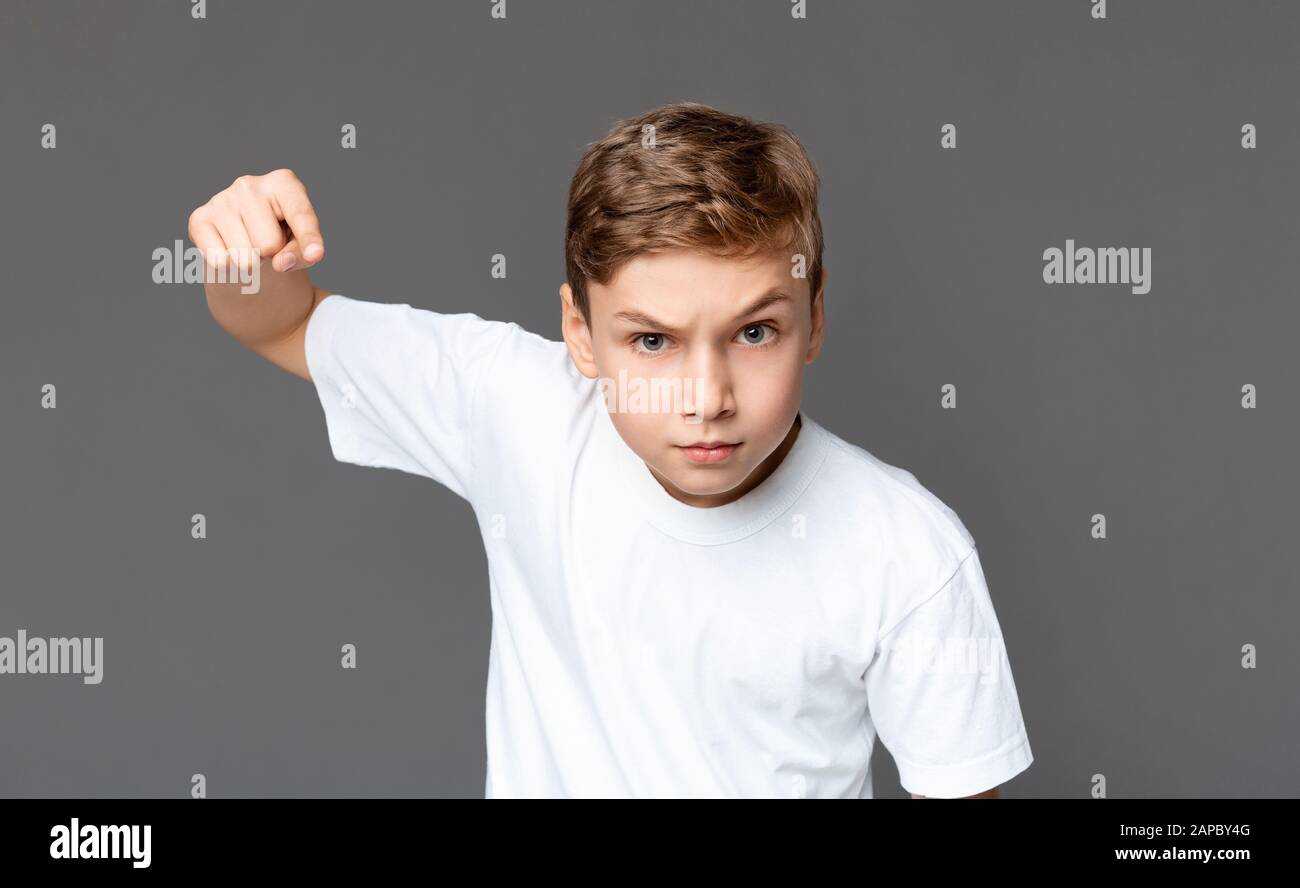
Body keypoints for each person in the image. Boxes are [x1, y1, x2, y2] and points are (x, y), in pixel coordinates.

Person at [189, 101, 1033, 799]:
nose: (707, 398)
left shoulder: (908, 551)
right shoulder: (516, 408)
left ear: (813, 321)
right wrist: (243, 251)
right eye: (653, 342)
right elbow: (286, 319)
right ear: (579, 336)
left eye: (753, 330)